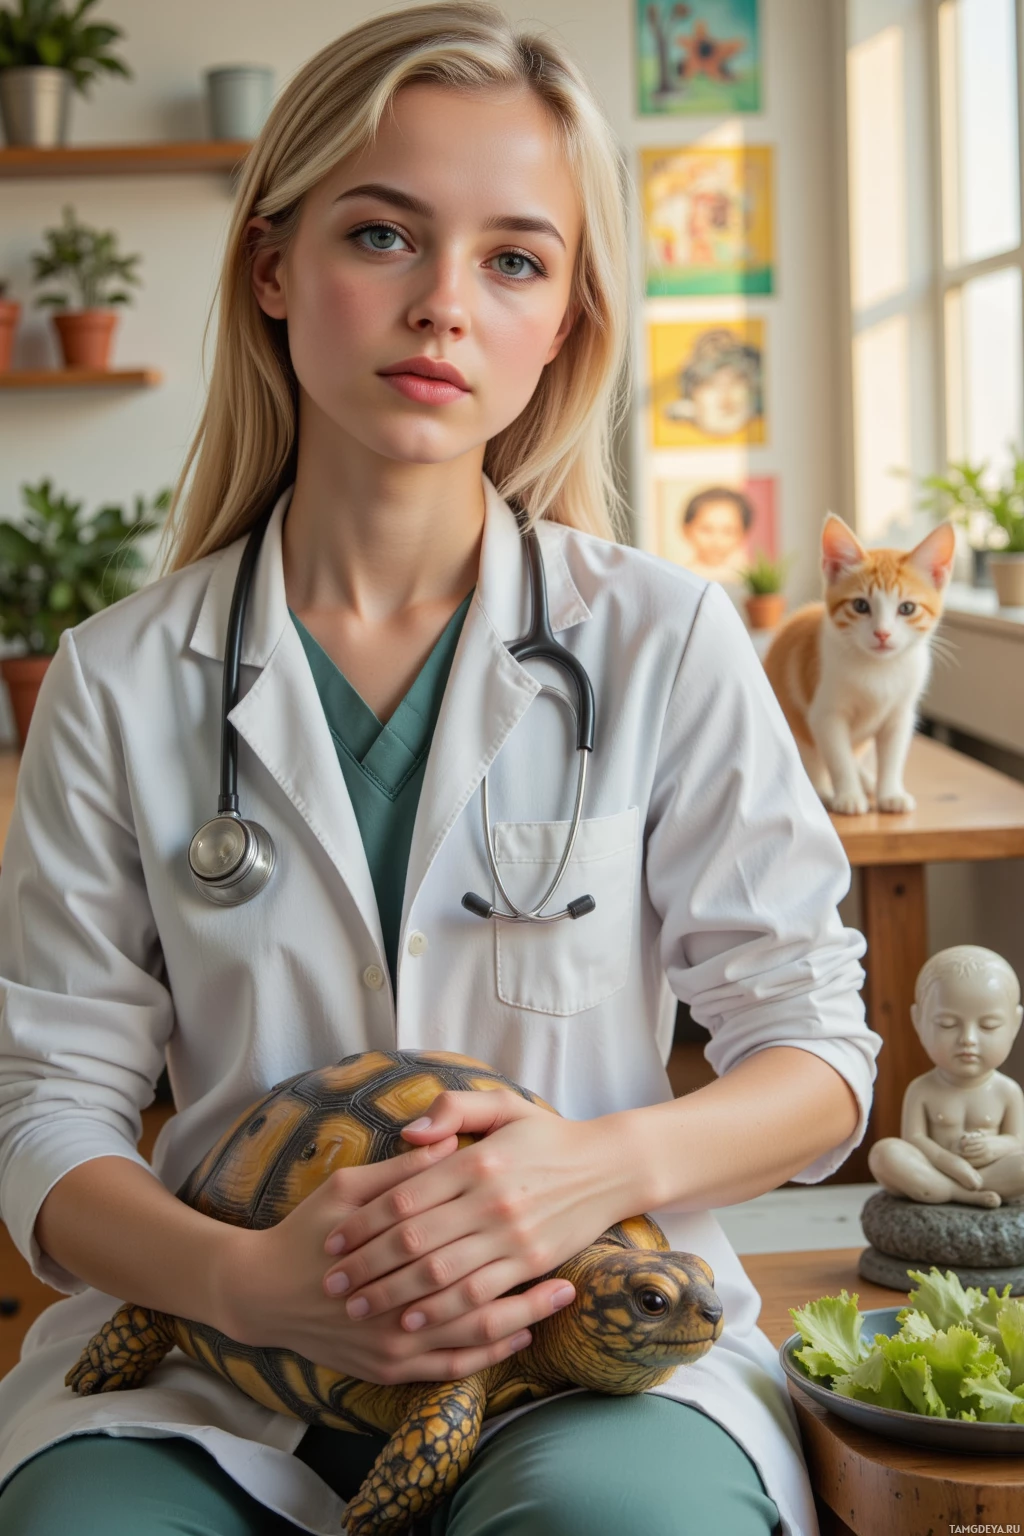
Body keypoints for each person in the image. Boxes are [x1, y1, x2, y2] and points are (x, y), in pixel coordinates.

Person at [0, 6, 880, 1534]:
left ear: (566, 327)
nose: (445, 308)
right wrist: (248, 1281)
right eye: (384, 235)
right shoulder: (121, 677)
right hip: (215, 1356)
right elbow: (44, 1114)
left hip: (583, 1345)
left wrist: (582, 1173)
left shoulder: (664, 640)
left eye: (515, 260)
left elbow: (816, 1062)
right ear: (273, 268)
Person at [680, 485, 755, 585]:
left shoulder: (750, 582)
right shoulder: (680, 578)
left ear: (743, 534)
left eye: (728, 531)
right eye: (706, 529)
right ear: (687, 530)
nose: (716, 540)